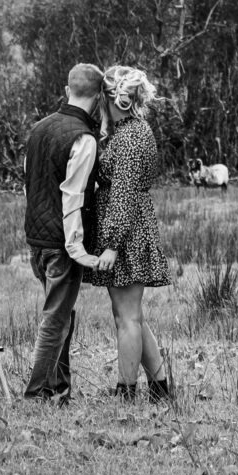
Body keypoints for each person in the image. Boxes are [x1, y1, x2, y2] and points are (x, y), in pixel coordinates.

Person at [86, 65, 172, 403]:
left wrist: (111, 244)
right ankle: (160, 388)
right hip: (130, 229)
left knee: (127, 317)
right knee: (130, 314)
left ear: (115, 100)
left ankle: (125, 393)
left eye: (102, 99)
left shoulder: (130, 137)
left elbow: (123, 193)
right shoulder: (130, 131)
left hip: (126, 233)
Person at [22, 63, 104, 404]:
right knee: (55, 320)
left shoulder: (38, 128)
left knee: (62, 315)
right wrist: (76, 248)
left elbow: (29, 184)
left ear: (68, 90)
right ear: (99, 97)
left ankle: (60, 389)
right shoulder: (83, 138)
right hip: (60, 243)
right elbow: (73, 195)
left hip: (36, 241)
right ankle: (37, 393)